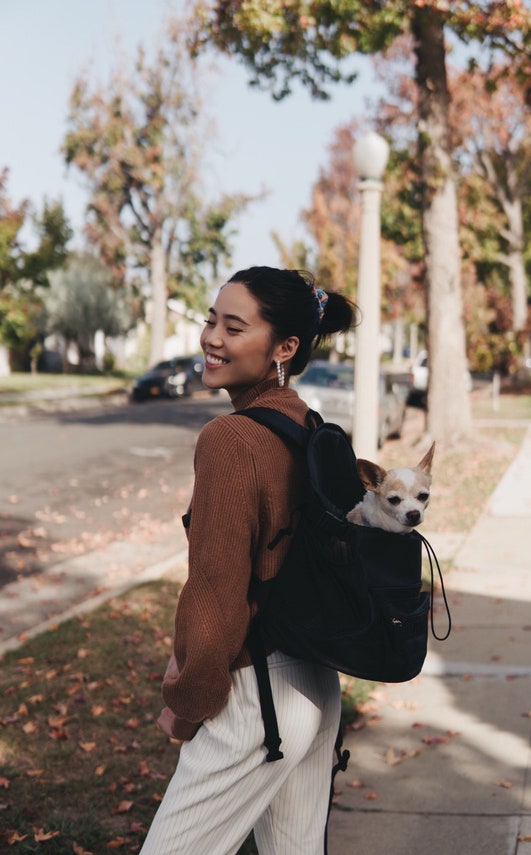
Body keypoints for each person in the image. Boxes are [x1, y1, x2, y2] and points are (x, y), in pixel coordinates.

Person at [139, 267, 356, 855]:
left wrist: (185, 707)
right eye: (211, 320)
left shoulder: (229, 440)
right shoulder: (308, 428)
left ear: (284, 348)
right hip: (315, 682)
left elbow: (216, 596)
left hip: (255, 696)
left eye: (234, 327)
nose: (212, 338)